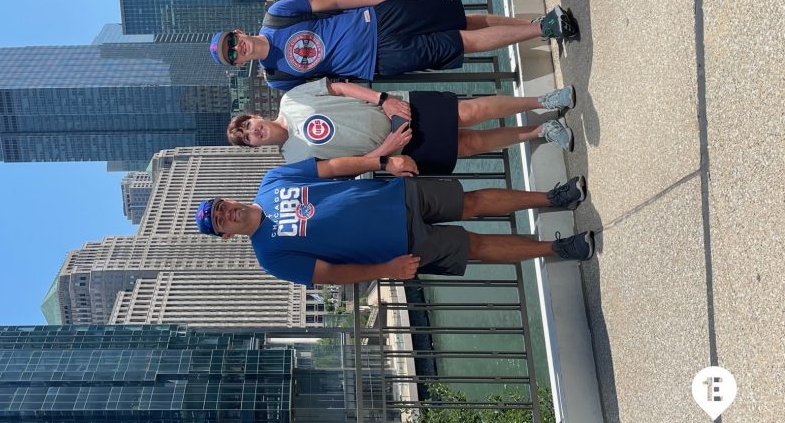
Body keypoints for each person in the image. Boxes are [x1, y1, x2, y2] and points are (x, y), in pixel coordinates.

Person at [194, 156, 595, 286]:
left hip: (395, 194)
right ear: (227, 235)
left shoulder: (272, 180)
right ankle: (559, 248)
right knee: (474, 246)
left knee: (470, 201)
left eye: (220, 206)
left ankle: (553, 197)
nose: (226, 213)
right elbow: (330, 273)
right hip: (399, 247)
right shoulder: (270, 256)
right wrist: (385, 270)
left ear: (228, 198)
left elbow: (331, 167)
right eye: (220, 222)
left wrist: (383, 161)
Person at [208, 0, 579, 91]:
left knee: (460, 19)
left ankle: (534, 23)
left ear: (238, 32)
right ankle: (541, 29)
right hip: (379, 61)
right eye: (232, 55)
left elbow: (334, 2)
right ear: (239, 64)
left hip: (377, 19)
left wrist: (382, 2)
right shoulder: (277, 78)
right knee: (459, 42)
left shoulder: (278, 15)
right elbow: (328, 90)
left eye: (232, 41)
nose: (236, 48)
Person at [226, 79, 577, 174]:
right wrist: (384, 153)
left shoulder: (291, 99)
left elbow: (339, 87)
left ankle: (543, 101)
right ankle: (540, 132)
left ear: (256, 116)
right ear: (255, 146)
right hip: (398, 147)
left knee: (471, 111)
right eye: (247, 139)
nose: (252, 132)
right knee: (469, 144)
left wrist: (384, 100)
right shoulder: (292, 160)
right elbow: (340, 170)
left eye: (248, 125)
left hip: (398, 109)